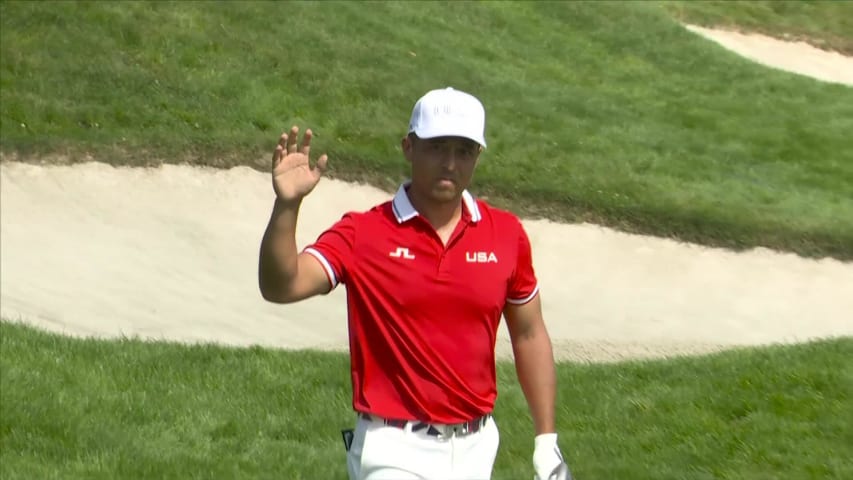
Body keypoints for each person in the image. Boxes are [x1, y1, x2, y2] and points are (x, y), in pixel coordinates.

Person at [258, 87, 571, 480]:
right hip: (391, 449)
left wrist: (546, 441)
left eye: (464, 151)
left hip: (476, 447)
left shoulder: (506, 235)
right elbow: (281, 286)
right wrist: (287, 205)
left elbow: (529, 334)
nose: (450, 163)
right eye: (437, 147)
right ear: (409, 147)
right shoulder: (364, 232)